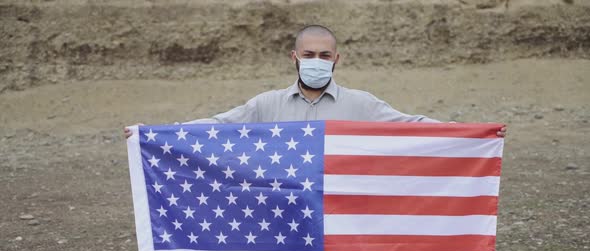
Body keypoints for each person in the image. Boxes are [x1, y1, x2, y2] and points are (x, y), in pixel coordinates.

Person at [125, 25, 506, 137]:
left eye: (325, 56)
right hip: (283, 218)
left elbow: (412, 126)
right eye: (309, 55)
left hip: (342, 218)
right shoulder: (266, 105)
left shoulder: (363, 104)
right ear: (295, 57)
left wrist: (471, 133)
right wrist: (153, 134)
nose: (317, 62)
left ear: (336, 59)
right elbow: (215, 127)